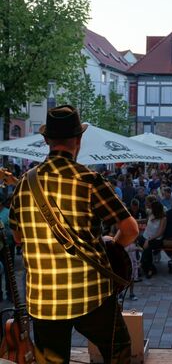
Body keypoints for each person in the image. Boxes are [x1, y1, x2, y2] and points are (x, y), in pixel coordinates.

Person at [9, 105, 139, 363]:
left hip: (44, 299)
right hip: (91, 294)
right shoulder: (89, 180)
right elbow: (131, 230)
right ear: (79, 140)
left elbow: (18, 238)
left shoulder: (25, 182)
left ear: (46, 141)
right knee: (119, 349)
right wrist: (112, 244)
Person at [137, 200, 166, 278]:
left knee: (147, 247)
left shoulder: (163, 218)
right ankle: (150, 269)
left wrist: (149, 240)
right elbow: (145, 221)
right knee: (141, 244)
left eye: (152, 208)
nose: (151, 209)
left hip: (156, 239)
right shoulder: (151, 214)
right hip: (145, 236)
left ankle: (140, 265)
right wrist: (135, 221)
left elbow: (160, 233)